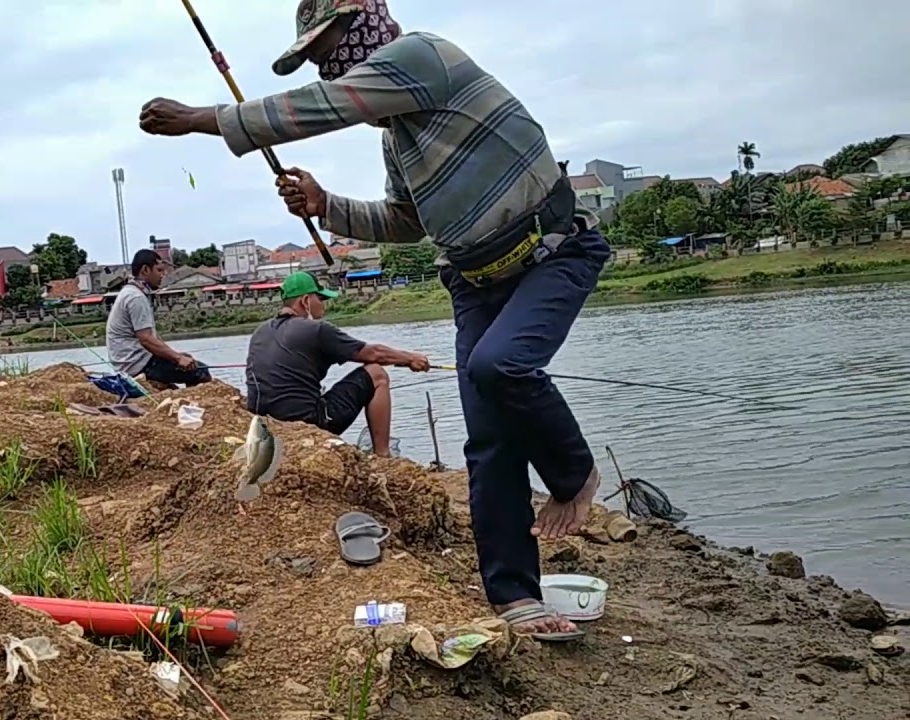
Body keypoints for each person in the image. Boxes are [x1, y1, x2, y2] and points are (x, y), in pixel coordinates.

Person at [139, 0, 608, 639]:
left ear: (366, 21)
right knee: (488, 439)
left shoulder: (423, 57)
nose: (328, 65)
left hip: (550, 250)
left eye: (327, 47)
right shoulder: (398, 141)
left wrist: (202, 119)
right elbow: (406, 223)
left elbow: (320, 107)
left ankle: (573, 473)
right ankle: (515, 597)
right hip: (473, 278)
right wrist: (326, 205)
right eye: (314, 60)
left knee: (500, 364)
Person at [245, 272, 428, 456]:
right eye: (321, 298)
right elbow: (374, 354)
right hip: (306, 423)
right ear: (305, 301)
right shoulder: (317, 330)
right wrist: (411, 358)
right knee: (376, 374)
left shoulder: (259, 332)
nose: (324, 304)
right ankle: (383, 455)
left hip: (264, 427)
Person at [106, 249, 211, 388]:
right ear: (145, 270)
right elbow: (146, 339)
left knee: (188, 361)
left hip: (131, 361)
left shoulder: (131, 292)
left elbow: (151, 337)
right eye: (159, 270)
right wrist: (178, 358)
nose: (163, 275)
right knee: (200, 371)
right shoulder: (136, 297)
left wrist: (176, 355)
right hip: (137, 365)